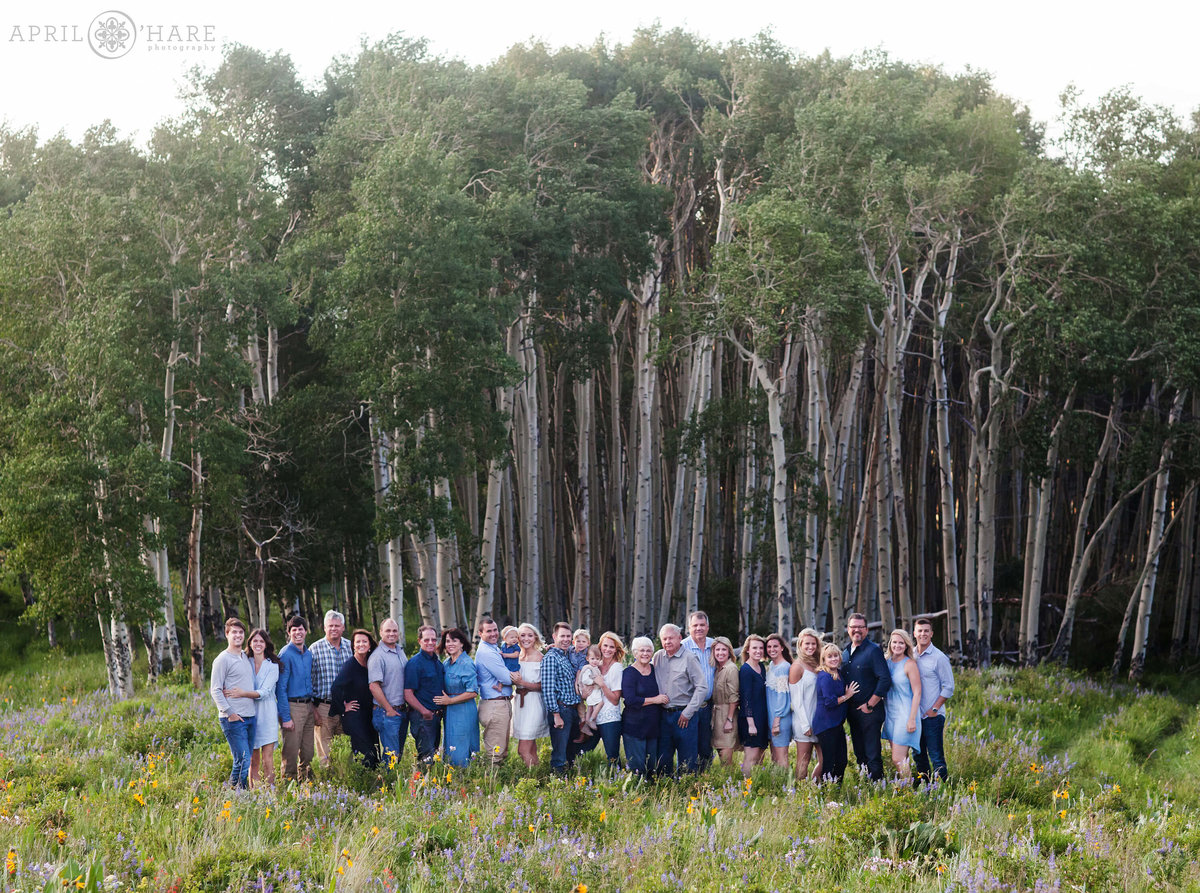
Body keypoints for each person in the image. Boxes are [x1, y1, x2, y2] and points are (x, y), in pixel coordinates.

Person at [653, 623, 707, 776]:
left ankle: (686, 791)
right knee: (663, 758)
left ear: (680, 638)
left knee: (687, 760)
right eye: (664, 639)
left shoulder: (689, 658)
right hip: (663, 715)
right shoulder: (658, 656)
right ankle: (666, 790)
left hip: (684, 716)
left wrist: (688, 712)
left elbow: (702, 687)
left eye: (671, 638)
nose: (667, 642)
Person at [842, 612, 891, 781]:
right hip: (852, 712)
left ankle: (878, 788)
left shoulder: (873, 651)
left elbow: (885, 679)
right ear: (848, 629)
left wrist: (870, 704)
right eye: (853, 627)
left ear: (867, 629)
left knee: (872, 754)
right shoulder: (846, 652)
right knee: (859, 753)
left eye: (860, 627)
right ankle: (866, 787)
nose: (857, 630)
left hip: (869, 711)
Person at [210, 618, 257, 789]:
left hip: (250, 715)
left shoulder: (245, 656)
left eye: (240, 632)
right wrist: (230, 712)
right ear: (227, 634)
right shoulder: (222, 659)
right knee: (242, 759)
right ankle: (237, 794)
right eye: (234, 632)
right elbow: (215, 690)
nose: (238, 635)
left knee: (246, 758)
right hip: (233, 718)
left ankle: (235, 793)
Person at [912, 617, 955, 782]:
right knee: (918, 755)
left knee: (936, 756)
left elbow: (949, 687)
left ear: (931, 633)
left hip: (933, 716)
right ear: (915, 633)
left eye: (926, 631)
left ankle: (943, 791)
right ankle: (925, 791)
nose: (923, 634)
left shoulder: (939, 658)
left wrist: (935, 709)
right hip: (915, 716)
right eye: (920, 630)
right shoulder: (911, 655)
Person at [329, 629, 380, 768]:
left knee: (375, 751)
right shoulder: (350, 665)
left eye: (364, 641)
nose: (361, 644)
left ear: (370, 645)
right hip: (355, 716)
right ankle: (364, 785)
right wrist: (343, 707)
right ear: (353, 645)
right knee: (365, 753)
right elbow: (335, 688)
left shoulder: (371, 662)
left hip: (369, 714)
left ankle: (376, 783)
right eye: (358, 642)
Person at [311, 610, 354, 769]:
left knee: (345, 749)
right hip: (324, 706)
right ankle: (327, 786)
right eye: (330, 626)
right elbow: (309, 681)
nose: (333, 629)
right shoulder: (315, 649)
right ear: (324, 628)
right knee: (325, 752)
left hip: (347, 706)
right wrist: (313, 709)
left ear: (343, 627)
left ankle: (346, 784)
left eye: (337, 626)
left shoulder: (351, 647)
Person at [621, 636, 667, 778]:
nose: (645, 654)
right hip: (634, 726)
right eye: (641, 650)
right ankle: (635, 795)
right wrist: (655, 700)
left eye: (648, 650)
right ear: (635, 653)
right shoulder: (629, 673)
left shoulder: (654, 670)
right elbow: (630, 700)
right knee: (637, 767)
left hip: (653, 726)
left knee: (651, 766)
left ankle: (650, 796)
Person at [475, 617, 519, 766]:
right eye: (489, 631)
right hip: (494, 705)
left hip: (500, 703)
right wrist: (522, 677)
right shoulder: (487, 652)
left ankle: (498, 783)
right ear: (480, 633)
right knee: (495, 754)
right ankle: (490, 785)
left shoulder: (494, 647)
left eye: (495, 630)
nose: (494, 633)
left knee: (501, 750)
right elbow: (506, 678)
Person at [813, 643, 859, 783]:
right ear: (824, 659)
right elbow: (830, 702)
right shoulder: (825, 676)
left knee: (841, 761)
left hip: (836, 724)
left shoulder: (838, 673)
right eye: (829, 657)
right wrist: (847, 695)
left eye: (835, 656)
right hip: (826, 725)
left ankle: (835, 791)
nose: (833, 659)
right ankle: (825, 793)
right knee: (829, 762)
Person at [277, 615, 315, 782]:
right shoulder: (285, 654)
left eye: (301, 629)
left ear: (306, 632)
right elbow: (281, 688)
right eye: (294, 630)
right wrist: (285, 717)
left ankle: (305, 781)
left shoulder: (308, 654)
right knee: (291, 750)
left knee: (308, 750)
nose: (298, 632)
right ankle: (288, 785)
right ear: (289, 633)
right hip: (292, 706)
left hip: (308, 705)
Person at [542, 622, 584, 773]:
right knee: (559, 752)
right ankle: (557, 784)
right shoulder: (551, 658)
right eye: (562, 636)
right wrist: (556, 715)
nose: (565, 639)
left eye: (568, 636)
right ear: (554, 637)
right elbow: (547, 689)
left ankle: (570, 780)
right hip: (561, 709)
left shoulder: (568, 655)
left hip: (572, 710)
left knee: (570, 750)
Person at [435, 628, 479, 767]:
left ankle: (464, 776)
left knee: (461, 745)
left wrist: (450, 701)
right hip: (450, 710)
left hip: (463, 709)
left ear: (462, 643)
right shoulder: (447, 663)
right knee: (450, 743)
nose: (450, 644)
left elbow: (473, 692)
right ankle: (452, 777)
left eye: (454, 640)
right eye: (447, 641)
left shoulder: (466, 663)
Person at [882, 629, 923, 780]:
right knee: (902, 758)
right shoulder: (886, 662)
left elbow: (918, 692)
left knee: (897, 759)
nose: (897, 645)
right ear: (890, 644)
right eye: (894, 642)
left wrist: (912, 719)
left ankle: (909, 793)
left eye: (901, 643)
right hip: (890, 715)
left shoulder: (910, 664)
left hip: (905, 715)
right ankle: (905, 789)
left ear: (906, 645)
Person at [367, 618, 408, 768]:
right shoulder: (378, 656)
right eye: (388, 630)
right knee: (391, 756)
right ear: (380, 632)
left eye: (394, 630)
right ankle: (387, 789)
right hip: (387, 713)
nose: (391, 633)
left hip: (401, 711)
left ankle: (392, 787)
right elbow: (374, 686)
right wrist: (389, 709)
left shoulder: (399, 651)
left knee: (397, 755)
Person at [579, 631, 624, 765]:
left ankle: (616, 782)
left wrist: (602, 684)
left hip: (609, 718)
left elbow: (615, 699)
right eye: (605, 646)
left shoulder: (616, 668)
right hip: (593, 716)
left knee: (612, 756)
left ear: (616, 649)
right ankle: (575, 775)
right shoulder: (595, 665)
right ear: (600, 646)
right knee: (581, 750)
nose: (608, 650)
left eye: (612, 647)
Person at [404, 624, 446, 763]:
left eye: (433, 640)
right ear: (419, 641)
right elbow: (408, 693)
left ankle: (429, 783)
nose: (430, 643)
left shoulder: (437, 662)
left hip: (435, 717)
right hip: (423, 717)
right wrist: (425, 712)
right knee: (426, 758)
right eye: (426, 639)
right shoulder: (415, 663)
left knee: (433, 754)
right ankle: (421, 783)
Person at [511, 623, 549, 768]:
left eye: (530, 635)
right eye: (522, 635)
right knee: (531, 747)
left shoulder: (541, 658)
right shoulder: (516, 656)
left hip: (533, 702)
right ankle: (538, 773)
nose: (526, 638)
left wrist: (522, 682)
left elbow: (544, 685)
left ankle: (532, 779)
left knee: (523, 749)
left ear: (535, 638)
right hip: (519, 702)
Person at [680, 611, 715, 768]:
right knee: (689, 744)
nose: (699, 628)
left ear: (707, 627)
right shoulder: (682, 647)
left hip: (708, 705)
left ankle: (705, 777)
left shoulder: (714, 646)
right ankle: (688, 776)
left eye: (702, 625)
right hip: (688, 705)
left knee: (706, 745)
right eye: (695, 625)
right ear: (689, 628)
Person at [247, 629, 280, 788]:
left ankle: (270, 793)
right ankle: (254, 794)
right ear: (250, 643)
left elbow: (265, 693)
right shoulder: (244, 661)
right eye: (255, 641)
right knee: (253, 759)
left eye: (261, 641)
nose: (258, 644)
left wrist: (242, 693)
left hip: (267, 714)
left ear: (266, 644)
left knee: (268, 758)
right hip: (249, 713)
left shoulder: (272, 666)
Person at [789, 628, 823, 783]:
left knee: (826, 759)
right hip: (804, 720)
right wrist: (805, 725)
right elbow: (796, 700)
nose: (810, 647)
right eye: (807, 644)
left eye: (813, 644)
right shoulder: (797, 667)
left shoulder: (819, 663)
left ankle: (816, 787)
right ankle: (799, 794)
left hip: (820, 720)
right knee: (804, 760)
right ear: (800, 645)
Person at [737, 634, 768, 776]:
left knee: (760, 756)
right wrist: (751, 723)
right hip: (750, 719)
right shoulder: (745, 670)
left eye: (761, 648)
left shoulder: (761, 666)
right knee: (751, 756)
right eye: (754, 648)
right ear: (747, 650)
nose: (758, 651)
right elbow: (746, 698)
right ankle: (745, 788)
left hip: (762, 717)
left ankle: (756, 786)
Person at [709, 636, 739, 766]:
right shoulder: (716, 669)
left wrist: (729, 719)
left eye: (723, 650)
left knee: (726, 759)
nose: (720, 653)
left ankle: (730, 784)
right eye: (717, 650)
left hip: (727, 714)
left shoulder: (731, 669)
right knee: (720, 754)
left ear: (729, 652)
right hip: (716, 715)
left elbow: (734, 697)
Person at [765, 633, 793, 768]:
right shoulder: (771, 665)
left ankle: (787, 787)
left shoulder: (784, 667)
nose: (772, 649)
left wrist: (777, 721)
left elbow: (784, 697)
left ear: (782, 648)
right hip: (772, 718)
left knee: (781, 759)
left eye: (775, 646)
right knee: (774, 759)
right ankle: (776, 787)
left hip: (780, 719)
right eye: (769, 647)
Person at [573, 644, 605, 742]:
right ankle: (591, 720)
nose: (595, 661)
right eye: (592, 658)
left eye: (597, 659)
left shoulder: (595, 668)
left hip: (592, 691)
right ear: (587, 658)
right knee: (600, 703)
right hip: (590, 691)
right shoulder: (588, 668)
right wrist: (595, 681)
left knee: (590, 707)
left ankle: (587, 723)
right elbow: (585, 680)